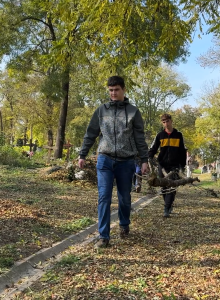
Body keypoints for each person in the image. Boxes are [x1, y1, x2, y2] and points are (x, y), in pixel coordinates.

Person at [78, 76, 149, 248]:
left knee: (124, 198)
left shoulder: (133, 111)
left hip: (126, 161)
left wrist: (144, 160)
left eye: (116, 89)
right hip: (105, 159)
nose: (113, 93)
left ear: (123, 90)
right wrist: (82, 154)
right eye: (110, 90)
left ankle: (124, 224)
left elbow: (139, 137)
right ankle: (104, 236)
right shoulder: (101, 110)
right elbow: (91, 133)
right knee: (104, 197)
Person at [148, 113, 186, 217]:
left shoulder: (179, 135)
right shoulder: (160, 135)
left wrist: (182, 165)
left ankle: (167, 207)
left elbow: (183, 151)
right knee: (164, 187)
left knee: (172, 186)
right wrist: (149, 157)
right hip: (162, 165)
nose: (166, 124)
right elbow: (153, 148)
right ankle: (168, 205)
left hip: (175, 166)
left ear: (171, 121)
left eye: (168, 121)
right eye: (164, 122)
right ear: (162, 123)